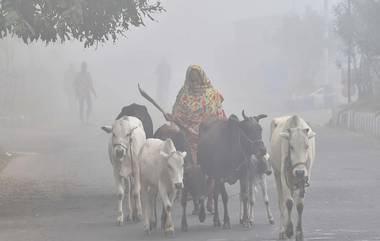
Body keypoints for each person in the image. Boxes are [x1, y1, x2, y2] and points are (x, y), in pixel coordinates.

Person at [165, 64, 226, 213]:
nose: (194, 82)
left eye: (196, 78)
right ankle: (197, 202)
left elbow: (219, 117)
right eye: (191, 79)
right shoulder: (183, 94)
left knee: (212, 171)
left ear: (202, 77)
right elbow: (177, 115)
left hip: (210, 140)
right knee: (193, 172)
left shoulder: (213, 94)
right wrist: (172, 118)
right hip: (189, 141)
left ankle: (211, 200)